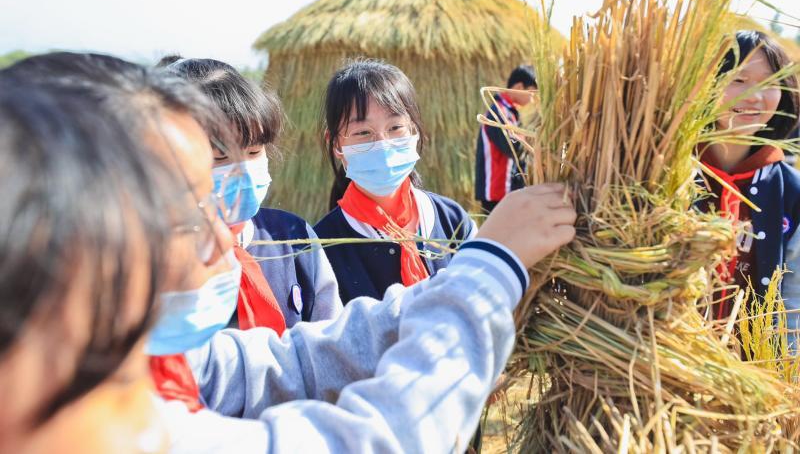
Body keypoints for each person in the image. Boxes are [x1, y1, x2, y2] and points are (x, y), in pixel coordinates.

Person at [0, 52, 577, 453]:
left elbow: (295, 359)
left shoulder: (153, 368)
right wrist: (489, 271)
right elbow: (380, 440)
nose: (226, 240)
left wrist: (453, 286)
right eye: (180, 217)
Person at [160, 57, 342, 331]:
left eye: (254, 152)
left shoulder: (293, 237)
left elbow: (330, 340)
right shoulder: (155, 259)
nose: (243, 171)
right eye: (220, 158)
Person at [314, 59, 477, 304]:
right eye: (362, 133)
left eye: (395, 127)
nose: (383, 144)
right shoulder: (322, 247)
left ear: (414, 130)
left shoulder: (452, 220)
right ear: (336, 143)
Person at [697, 30, 800, 340]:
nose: (754, 96)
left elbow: (793, 300)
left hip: (746, 374)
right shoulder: (669, 172)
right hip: (657, 370)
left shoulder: (790, 191)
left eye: (769, 83)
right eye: (738, 81)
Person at [475, 64, 537, 215]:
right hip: (497, 193)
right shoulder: (499, 111)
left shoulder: (510, 112)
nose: (533, 98)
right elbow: (512, 147)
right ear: (519, 86)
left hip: (505, 193)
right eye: (531, 92)